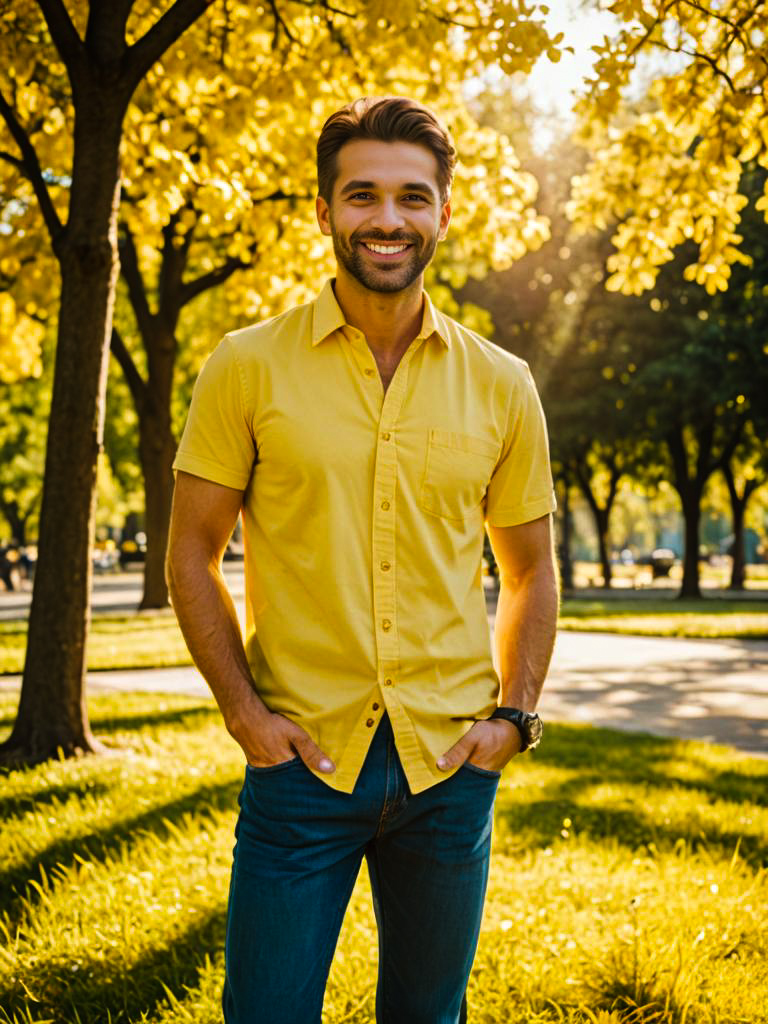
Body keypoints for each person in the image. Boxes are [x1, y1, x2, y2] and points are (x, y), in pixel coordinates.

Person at [166, 95, 559, 1024]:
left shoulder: (504, 385)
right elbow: (191, 550)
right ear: (324, 211)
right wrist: (244, 715)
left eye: (412, 198)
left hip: (448, 772)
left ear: (444, 213)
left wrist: (514, 720)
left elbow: (533, 571)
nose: (388, 219)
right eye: (362, 195)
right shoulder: (246, 365)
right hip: (300, 770)